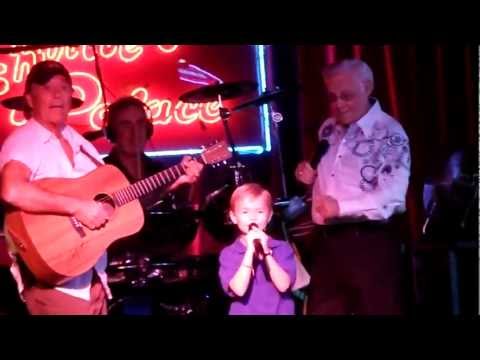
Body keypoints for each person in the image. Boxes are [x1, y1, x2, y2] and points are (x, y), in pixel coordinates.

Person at [294, 59, 411, 315]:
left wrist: (342, 207)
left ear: (367, 87)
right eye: (332, 97)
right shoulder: (329, 127)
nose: (338, 104)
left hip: (369, 243)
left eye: (346, 96)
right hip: (328, 244)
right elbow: (335, 175)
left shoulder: (389, 132)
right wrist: (311, 176)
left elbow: (393, 196)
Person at [0, 60, 113, 315]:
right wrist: (78, 207)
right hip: (54, 285)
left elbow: (117, 200)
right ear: (30, 99)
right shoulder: (25, 140)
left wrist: (173, 181)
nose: (58, 94)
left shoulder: (82, 144)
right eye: (48, 88)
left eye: (64, 87)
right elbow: (12, 190)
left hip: (93, 277)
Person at [102, 96, 204, 257]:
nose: (135, 133)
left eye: (140, 124)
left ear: (148, 129)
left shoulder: (160, 171)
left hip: (155, 260)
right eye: (125, 125)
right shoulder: (100, 171)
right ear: (112, 133)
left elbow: (180, 219)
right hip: (114, 260)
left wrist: (189, 183)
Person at [218, 183, 297, 315]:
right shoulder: (229, 253)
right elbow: (239, 289)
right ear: (233, 217)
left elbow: (283, 286)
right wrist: (249, 251)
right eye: (245, 212)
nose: (253, 217)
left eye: (260, 211)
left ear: (269, 216)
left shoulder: (282, 248)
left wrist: (266, 252)